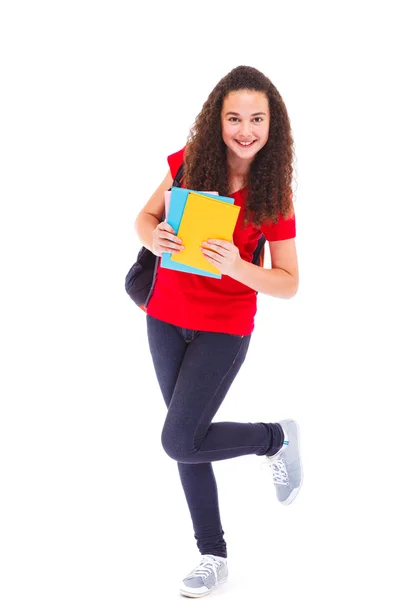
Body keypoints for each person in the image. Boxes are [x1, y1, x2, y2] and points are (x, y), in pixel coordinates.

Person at [133, 65, 303, 598]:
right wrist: (156, 236)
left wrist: (235, 265)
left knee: (181, 438)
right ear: (218, 119)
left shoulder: (273, 195)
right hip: (164, 316)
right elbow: (142, 217)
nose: (245, 130)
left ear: (273, 124)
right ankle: (213, 555)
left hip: (223, 329)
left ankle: (274, 437)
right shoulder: (190, 162)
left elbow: (289, 283)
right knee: (189, 441)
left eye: (257, 118)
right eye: (234, 118)